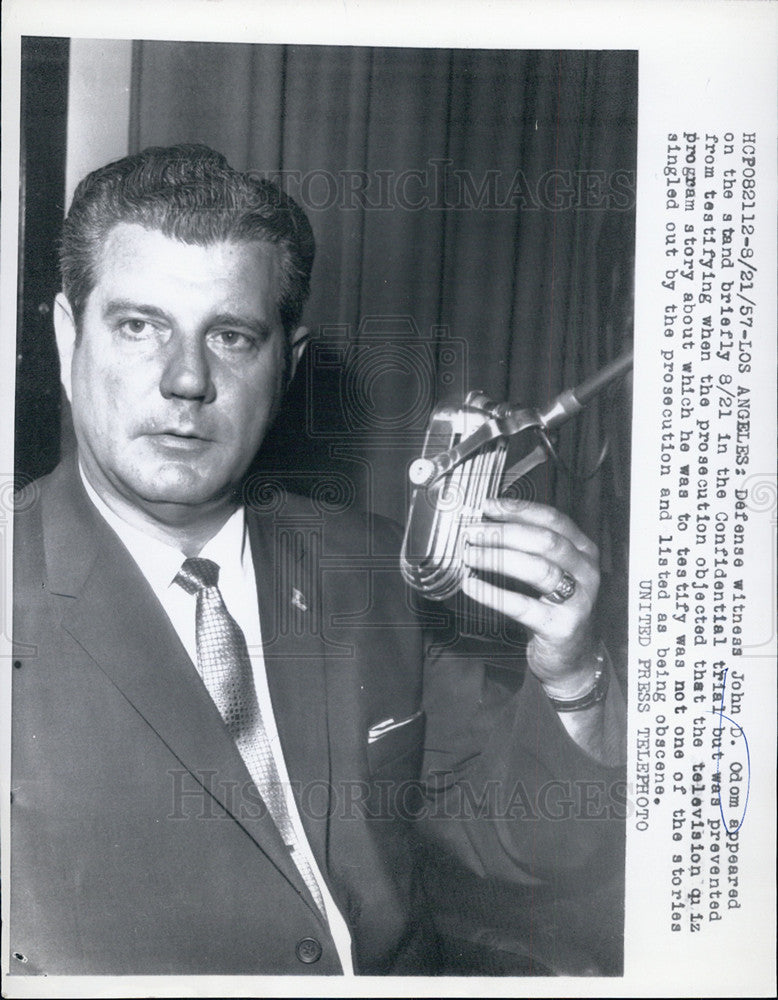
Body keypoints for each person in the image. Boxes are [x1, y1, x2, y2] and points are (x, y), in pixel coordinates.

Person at [10, 143, 626, 977]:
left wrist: (574, 674)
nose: (186, 379)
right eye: (138, 326)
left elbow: (525, 842)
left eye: (230, 336)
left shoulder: (366, 565)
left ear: (288, 366)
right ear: (64, 335)